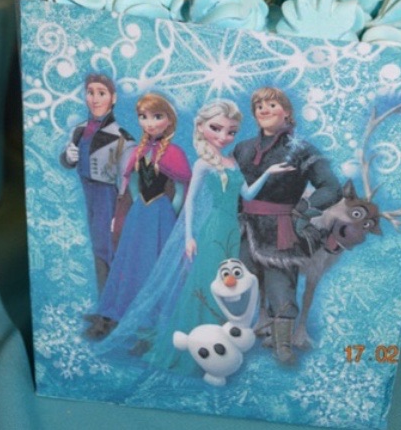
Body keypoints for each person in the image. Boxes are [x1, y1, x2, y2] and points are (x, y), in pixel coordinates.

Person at [95, 99, 292, 376]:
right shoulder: (202, 164)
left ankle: (221, 343)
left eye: (231, 132)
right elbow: (189, 202)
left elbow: (247, 194)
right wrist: (189, 236)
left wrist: (268, 173)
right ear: (200, 127)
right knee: (208, 284)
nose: (224, 136)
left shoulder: (231, 162)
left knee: (228, 284)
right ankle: (200, 346)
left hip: (232, 231)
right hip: (213, 230)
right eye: (216, 129)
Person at [233, 86, 342, 364]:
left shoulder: (302, 150)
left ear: (287, 112)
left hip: (280, 228)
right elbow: (233, 187)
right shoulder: (242, 148)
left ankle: (282, 345)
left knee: (280, 284)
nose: (265, 109)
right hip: (244, 227)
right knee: (237, 282)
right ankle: (233, 338)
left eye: (272, 104)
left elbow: (331, 187)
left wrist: (302, 212)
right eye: (259, 106)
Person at [84, 92, 191, 339]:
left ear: (169, 120)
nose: (149, 123)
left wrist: (171, 215)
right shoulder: (139, 151)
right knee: (133, 262)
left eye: (157, 116)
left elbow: (181, 190)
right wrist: (134, 208)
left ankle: (153, 320)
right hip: (139, 214)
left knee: (156, 263)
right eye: (143, 117)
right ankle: (123, 312)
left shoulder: (174, 153)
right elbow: (132, 183)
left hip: (161, 215)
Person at [60, 73, 135, 293]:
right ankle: (105, 297)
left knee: (108, 248)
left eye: (101, 93)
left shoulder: (121, 136)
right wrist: (68, 157)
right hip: (87, 194)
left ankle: (114, 298)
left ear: (113, 98)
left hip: (107, 195)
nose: (95, 99)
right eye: (90, 92)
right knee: (96, 247)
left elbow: (128, 178)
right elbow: (68, 161)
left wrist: (120, 210)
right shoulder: (80, 130)